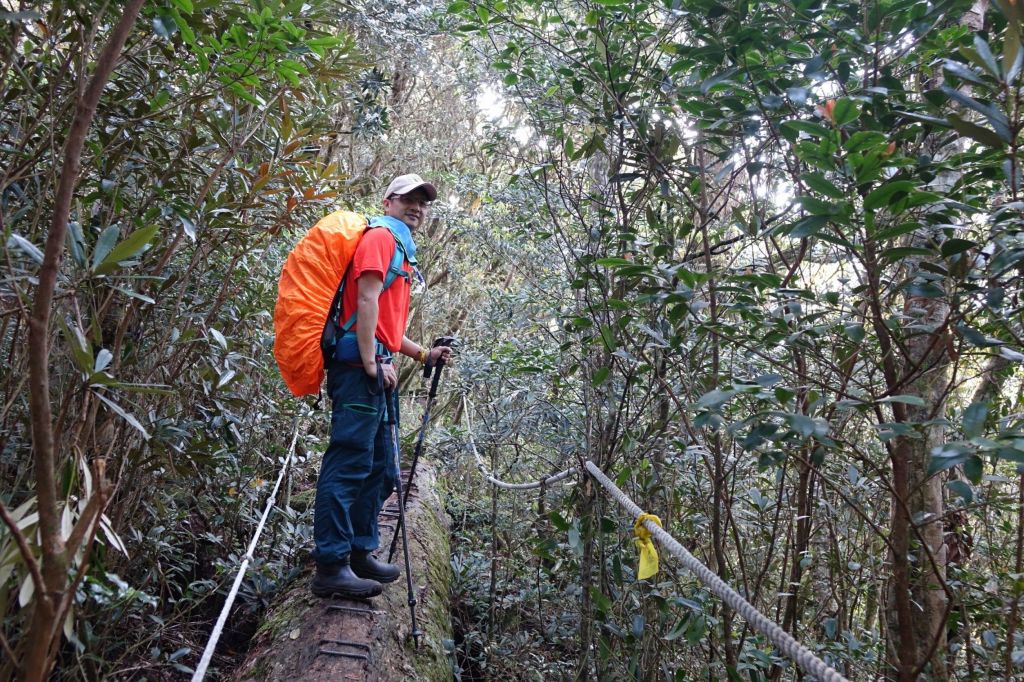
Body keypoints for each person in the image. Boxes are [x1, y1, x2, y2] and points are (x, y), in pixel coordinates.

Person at [311, 173, 452, 598]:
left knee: (381, 468)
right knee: (350, 463)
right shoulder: (380, 239)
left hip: (377, 366)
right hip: (359, 371)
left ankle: (358, 550)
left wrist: (421, 354)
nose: (417, 207)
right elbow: (366, 301)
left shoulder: (400, 248)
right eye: (408, 198)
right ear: (388, 201)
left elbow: (385, 324)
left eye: (423, 202)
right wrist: (372, 362)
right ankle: (331, 564)